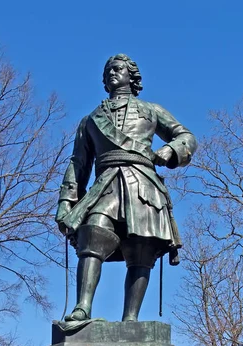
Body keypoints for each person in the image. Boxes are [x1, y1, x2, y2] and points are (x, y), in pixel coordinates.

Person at [56, 53, 197, 322]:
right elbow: (78, 163)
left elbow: (186, 136)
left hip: (143, 184)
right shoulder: (90, 120)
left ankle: (130, 319)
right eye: (108, 69)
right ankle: (82, 307)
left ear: (131, 75)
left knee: (141, 249)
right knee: (93, 232)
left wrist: (171, 150)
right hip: (105, 184)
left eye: (117, 68)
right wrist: (66, 201)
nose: (111, 72)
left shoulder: (151, 110)